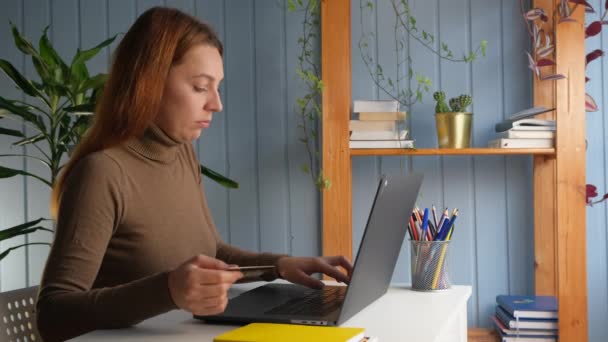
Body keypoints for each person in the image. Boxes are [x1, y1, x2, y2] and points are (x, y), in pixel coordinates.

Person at [37, 7, 352, 342]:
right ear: (150, 82)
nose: (216, 104)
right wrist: (168, 290)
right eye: (201, 87)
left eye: (217, 87)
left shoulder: (181, 152)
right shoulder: (102, 173)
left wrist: (280, 265)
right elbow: (53, 315)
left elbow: (212, 252)